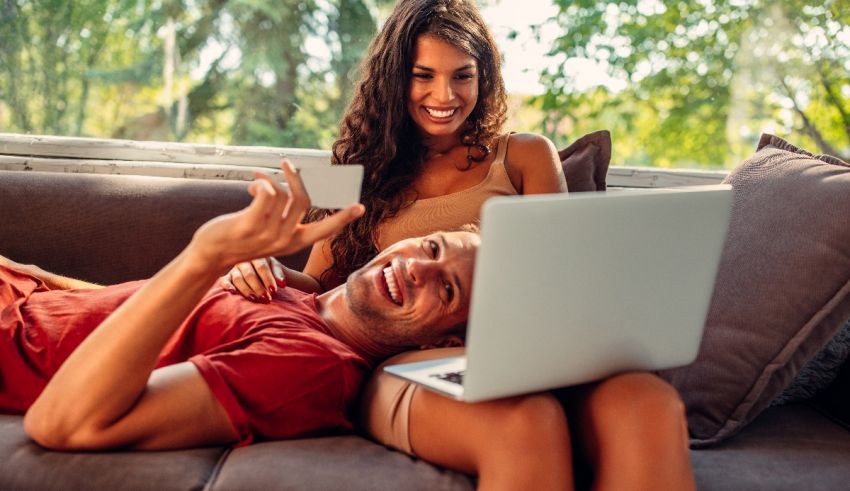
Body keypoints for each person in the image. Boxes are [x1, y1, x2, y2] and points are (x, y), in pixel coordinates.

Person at [221, 0, 695, 489]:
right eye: (422, 75)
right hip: (407, 356)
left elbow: (557, 275)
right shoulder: (351, 171)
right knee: (521, 420)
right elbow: (318, 285)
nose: (443, 95)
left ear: (483, 76)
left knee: (649, 403)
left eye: (461, 76)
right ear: (392, 78)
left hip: (530, 352)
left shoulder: (526, 156)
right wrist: (266, 269)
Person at [0, 161, 481, 451]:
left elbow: (61, 423)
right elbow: (111, 309)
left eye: (447, 290)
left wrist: (206, 256)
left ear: (442, 341)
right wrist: (34, 277)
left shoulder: (313, 364)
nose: (420, 267)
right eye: (433, 247)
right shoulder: (364, 170)